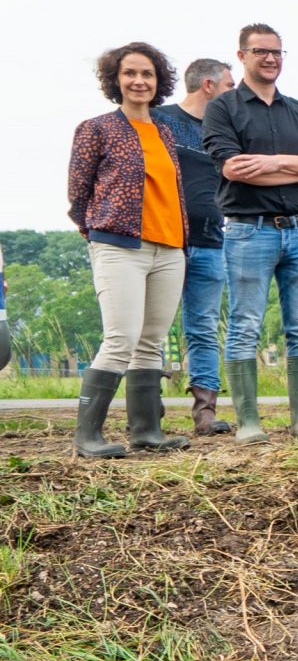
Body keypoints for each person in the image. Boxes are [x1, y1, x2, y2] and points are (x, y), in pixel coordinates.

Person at [201, 23, 298, 446]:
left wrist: (272, 163)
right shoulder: (223, 108)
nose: (271, 59)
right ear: (242, 55)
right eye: (261, 51)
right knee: (245, 324)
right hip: (249, 232)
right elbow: (234, 170)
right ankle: (248, 423)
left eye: (278, 52)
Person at [66, 41, 191, 458]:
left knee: (151, 341)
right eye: (130, 74)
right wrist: (99, 234)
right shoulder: (96, 128)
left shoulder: (165, 132)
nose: (139, 81)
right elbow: (78, 194)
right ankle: (87, 437)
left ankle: (146, 432)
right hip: (119, 246)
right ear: (115, 81)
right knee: (120, 337)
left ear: (158, 82)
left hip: (170, 247)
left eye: (147, 74)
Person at [153, 57, 234, 436]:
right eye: (230, 87)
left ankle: (206, 413)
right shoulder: (161, 120)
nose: (234, 94)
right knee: (151, 326)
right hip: (165, 239)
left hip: (212, 240)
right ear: (208, 85)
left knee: (202, 327)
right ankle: (148, 407)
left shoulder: (226, 131)